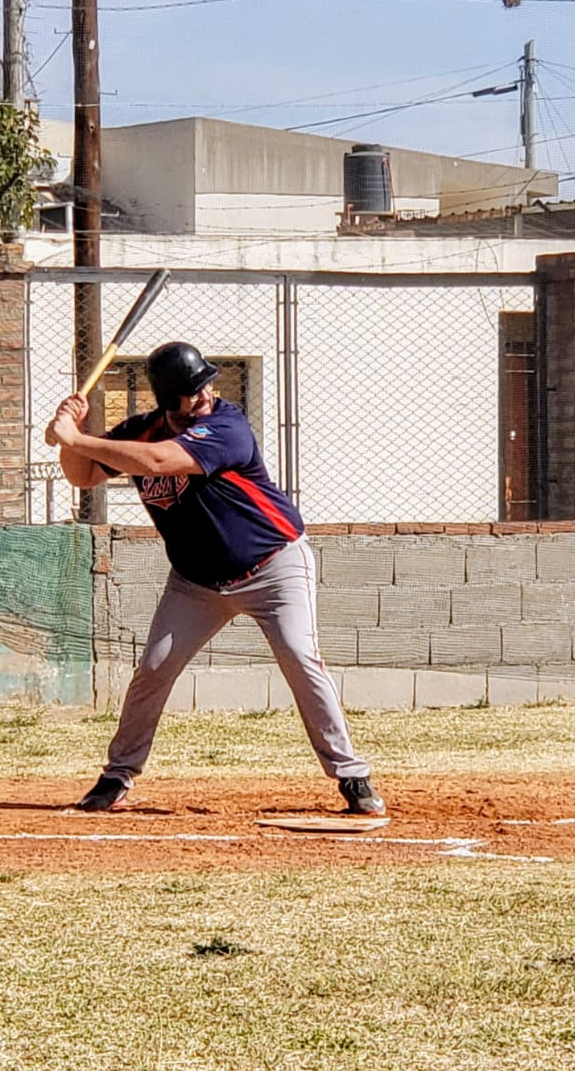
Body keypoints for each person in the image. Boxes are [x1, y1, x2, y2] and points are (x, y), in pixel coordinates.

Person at [46, 341, 385, 817]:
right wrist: (70, 436)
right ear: (170, 399)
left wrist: (76, 438)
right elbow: (82, 475)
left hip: (273, 566)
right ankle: (117, 775)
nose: (206, 393)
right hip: (197, 583)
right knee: (154, 668)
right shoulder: (140, 431)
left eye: (207, 383)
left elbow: (159, 462)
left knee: (299, 657)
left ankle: (351, 774)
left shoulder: (228, 425)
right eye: (193, 390)